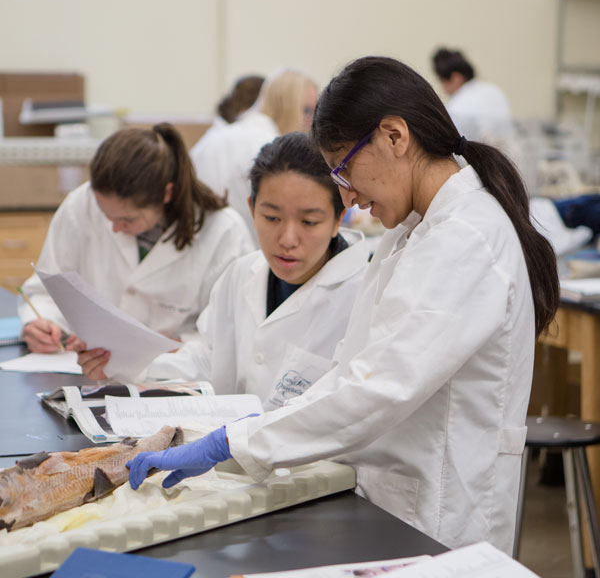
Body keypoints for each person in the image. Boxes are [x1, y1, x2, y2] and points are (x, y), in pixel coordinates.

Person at [126, 56, 559, 554]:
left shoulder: (465, 238)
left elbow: (378, 388)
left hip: (442, 515)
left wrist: (235, 443)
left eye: (344, 169)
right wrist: (241, 439)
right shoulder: (412, 234)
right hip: (393, 501)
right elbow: (352, 371)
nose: (348, 197)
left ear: (395, 136)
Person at [78, 132, 369, 406]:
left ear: (338, 219)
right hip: (234, 449)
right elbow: (207, 359)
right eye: (271, 217)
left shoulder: (364, 295)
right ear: (252, 209)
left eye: (309, 222)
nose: (287, 240)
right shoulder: (241, 275)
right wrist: (123, 364)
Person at [20, 123, 253, 353]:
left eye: (128, 220)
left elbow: (230, 333)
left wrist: (171, 347)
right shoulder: (80, 205)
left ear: (167, 194)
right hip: (82, 371)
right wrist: (40, 324)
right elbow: (47, 292)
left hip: (175, 379)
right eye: (105, 214)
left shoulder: (223, 231)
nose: (115, 229)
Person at [190, 68, 319, 242]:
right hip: (237, 252)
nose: (311, 123)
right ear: (282, 103)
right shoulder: (271, 147)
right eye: (306, 110)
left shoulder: (216, 135)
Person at [432, 47, 516, 153]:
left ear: (456, 78)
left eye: (443, 82)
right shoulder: (494, 90)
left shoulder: (458, 107)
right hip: (509, 162)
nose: (443, 89)